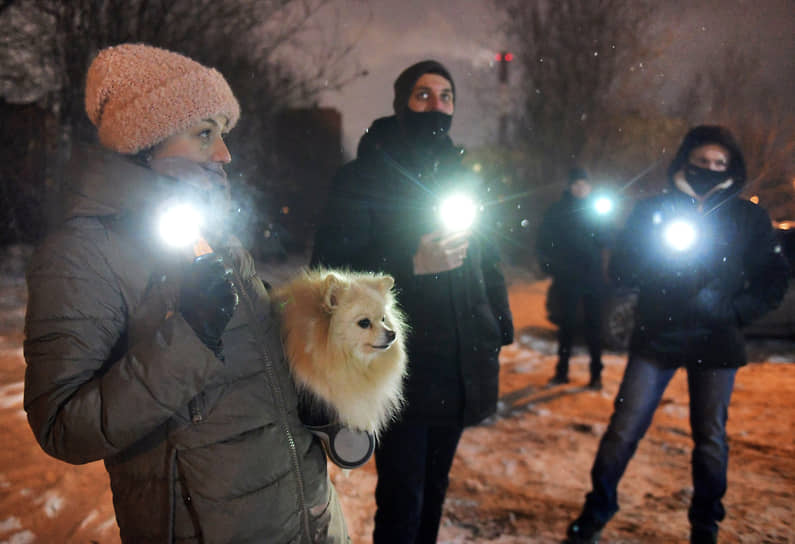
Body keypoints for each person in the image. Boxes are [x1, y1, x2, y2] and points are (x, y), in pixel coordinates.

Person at [23, 43, 348, 543]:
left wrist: (311, 391)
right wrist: (189, 341)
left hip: (304, 518)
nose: (225, 153)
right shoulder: (82, 253)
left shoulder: (215, 234)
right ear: (145, 143)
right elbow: (62, 425)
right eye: (204, 134)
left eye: (221, 134)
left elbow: (248, 369)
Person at [311, 60, 514, 543]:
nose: (436, 105)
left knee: (437, 485)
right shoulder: (364, 177)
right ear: (402, 103)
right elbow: (331, 268)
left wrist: (498, 324)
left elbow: (486, 258)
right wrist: (409, 263)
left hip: (460, 356)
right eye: (424, 95)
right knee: (403, 493)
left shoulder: (464, 174)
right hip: (401, 361)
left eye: (446, 97)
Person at [564, 125, 790, 544]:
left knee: (710, 438)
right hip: (658, 335)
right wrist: (653, 263)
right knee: (624, 427)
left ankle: (705, 524)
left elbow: (774, 279)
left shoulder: (747, 217)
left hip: (717, 338)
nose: (710, 168)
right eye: (702, 161)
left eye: (719, 163)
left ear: (732, 168)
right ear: (685, 162)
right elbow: (621, 269)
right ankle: (596, 508)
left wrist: (735, 310)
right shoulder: (655, 209)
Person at [536, 167, 612, 389]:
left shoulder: (597, 212)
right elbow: (544, 241)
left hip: (592, 278)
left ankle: (596, 374)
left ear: (590, 187)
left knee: (594, 327)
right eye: (577, 184)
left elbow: (608, 239)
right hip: (567, 278)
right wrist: (549, 266)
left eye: (584, 185)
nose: (581, 189)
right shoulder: (557, 211)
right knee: (566, 326)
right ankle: (561, 371)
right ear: (570, 186)